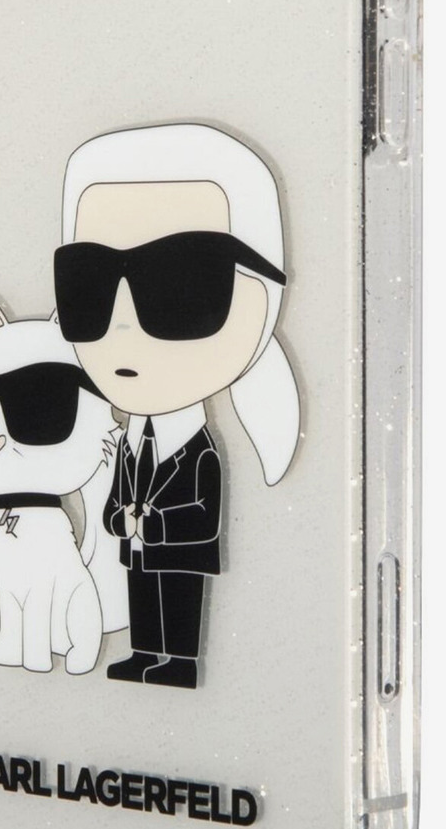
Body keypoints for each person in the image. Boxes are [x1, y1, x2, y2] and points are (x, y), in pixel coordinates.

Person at [53, 123, 299, 688]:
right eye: (87, 283)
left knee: (179, 604)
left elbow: (203, 509)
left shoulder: (199, 450)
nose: (123, 323)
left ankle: (179, 660)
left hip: (178, 550)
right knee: (144, 598)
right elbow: (116, 495)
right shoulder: (129, 440)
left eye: (182, 286)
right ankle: (146, 654)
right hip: (139, 548)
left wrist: (154, 523)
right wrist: (119, 520)